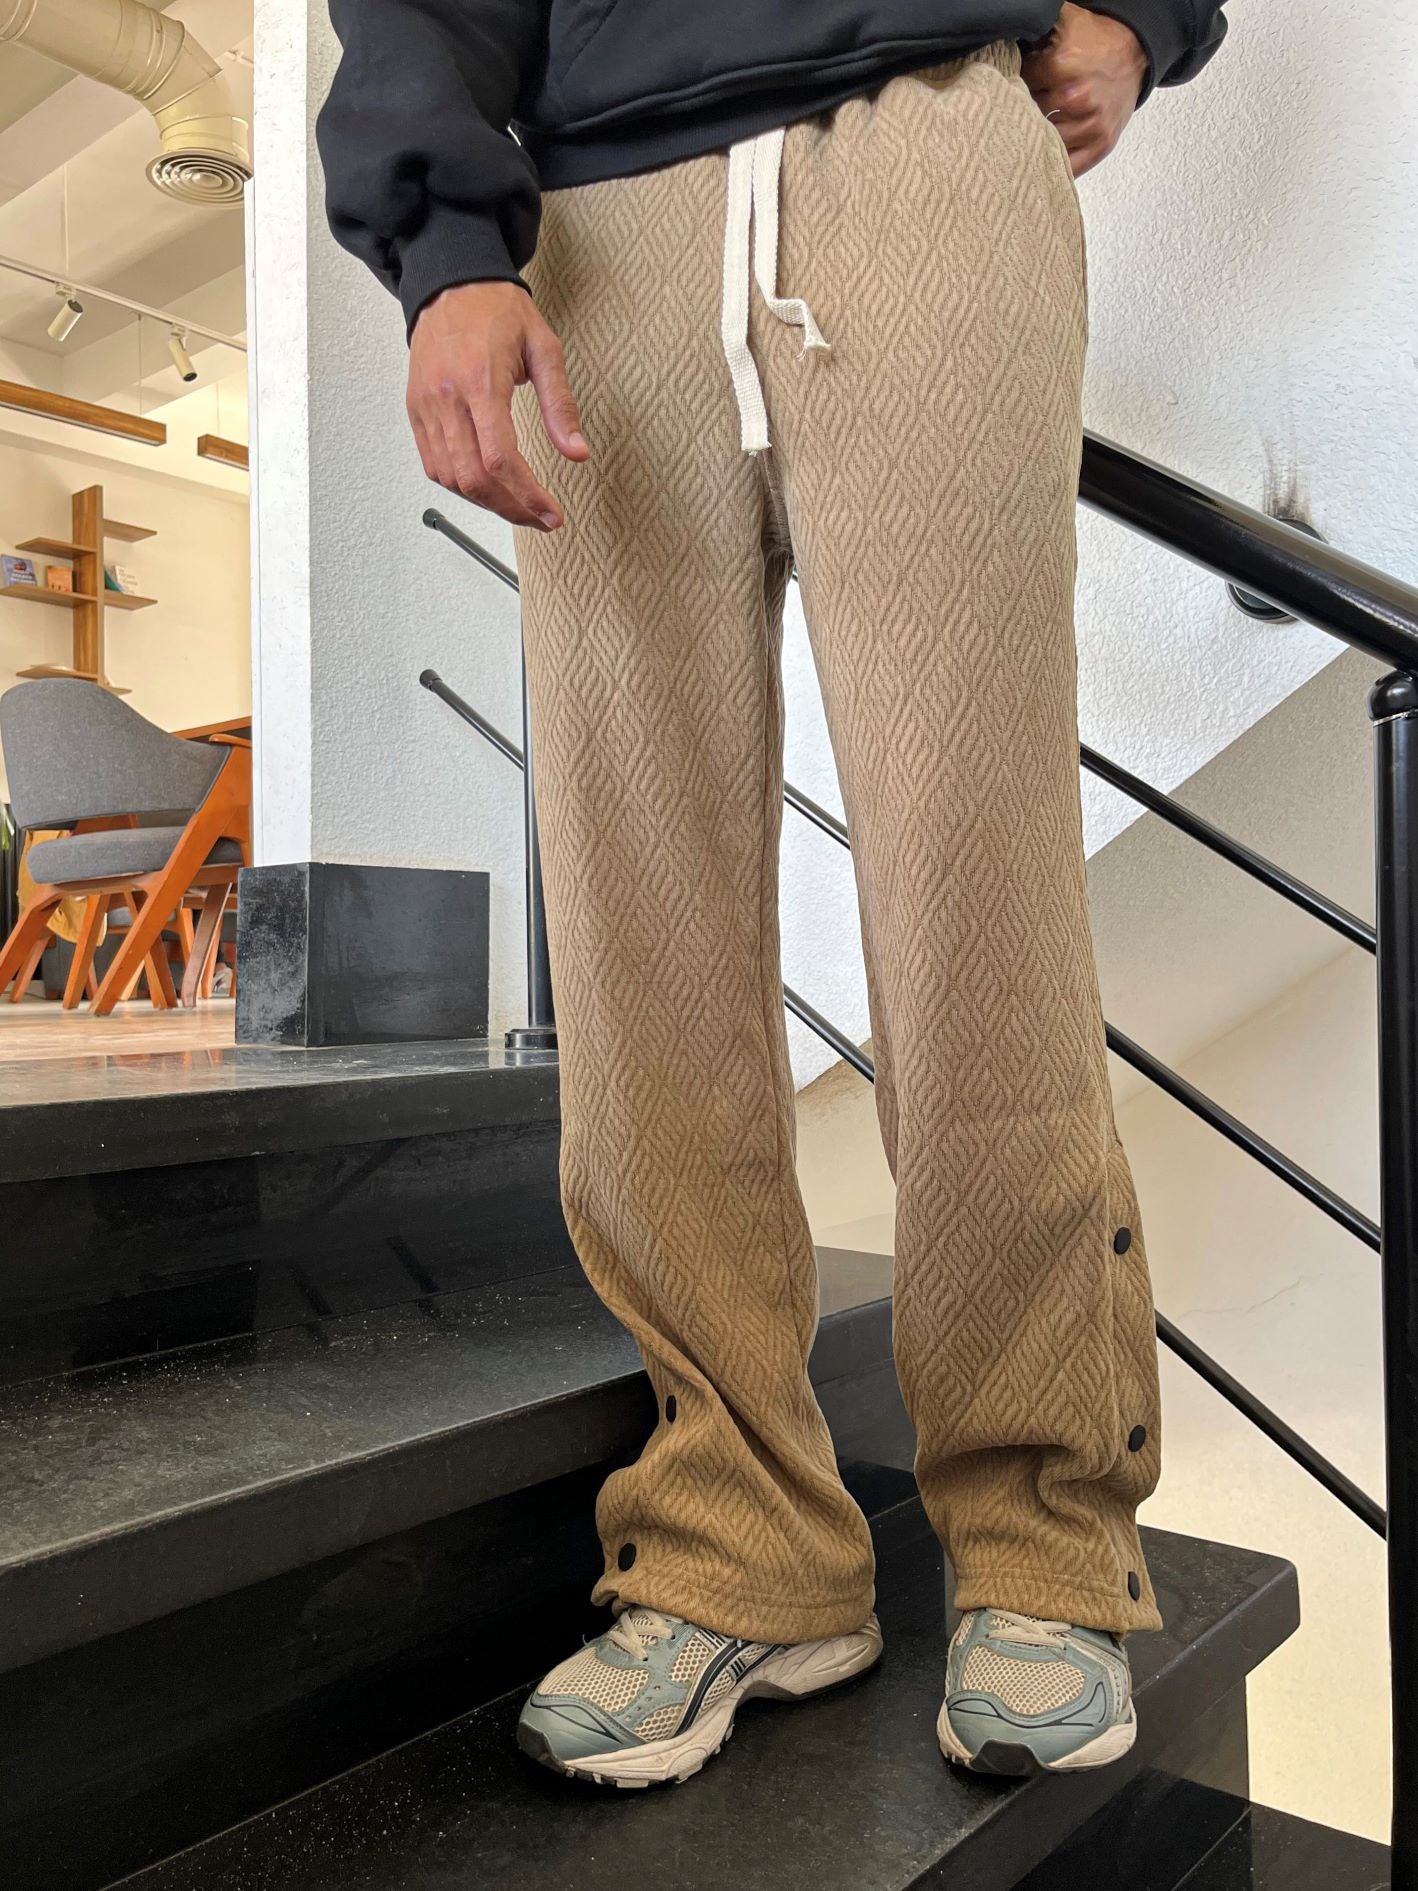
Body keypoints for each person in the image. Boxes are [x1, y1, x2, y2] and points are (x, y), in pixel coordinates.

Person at [317, 0, 1226, 1787]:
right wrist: (442, 247)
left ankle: (1040, 1540)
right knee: (632, 913)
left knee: (974, 894)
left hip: (924, 136)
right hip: (592, 217)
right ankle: (741, 1549)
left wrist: (1146, 14)